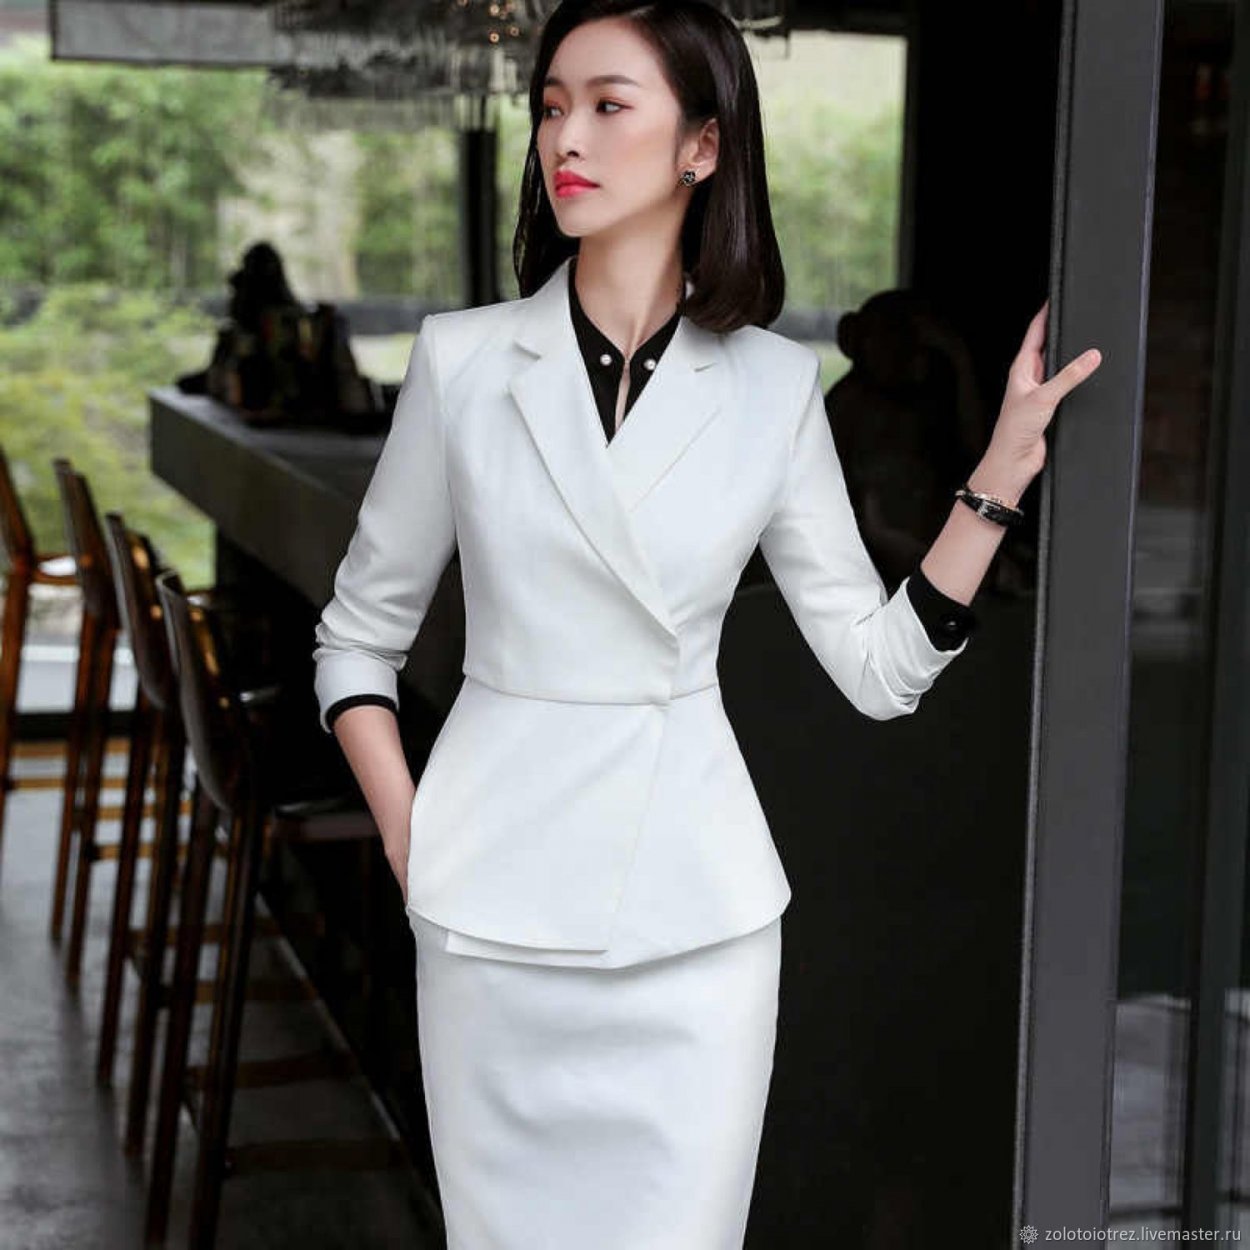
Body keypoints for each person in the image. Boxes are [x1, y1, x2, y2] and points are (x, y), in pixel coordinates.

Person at [310, 2, 1102, 1246]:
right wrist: (413, 836)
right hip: (492, 907)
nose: (565, 137)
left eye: (607, 105)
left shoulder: (773, 387)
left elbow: (879, 669)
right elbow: (356, 635)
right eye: (550, 106)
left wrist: (998, 468)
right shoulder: (462, 363)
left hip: (697, 927)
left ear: (702, 145)